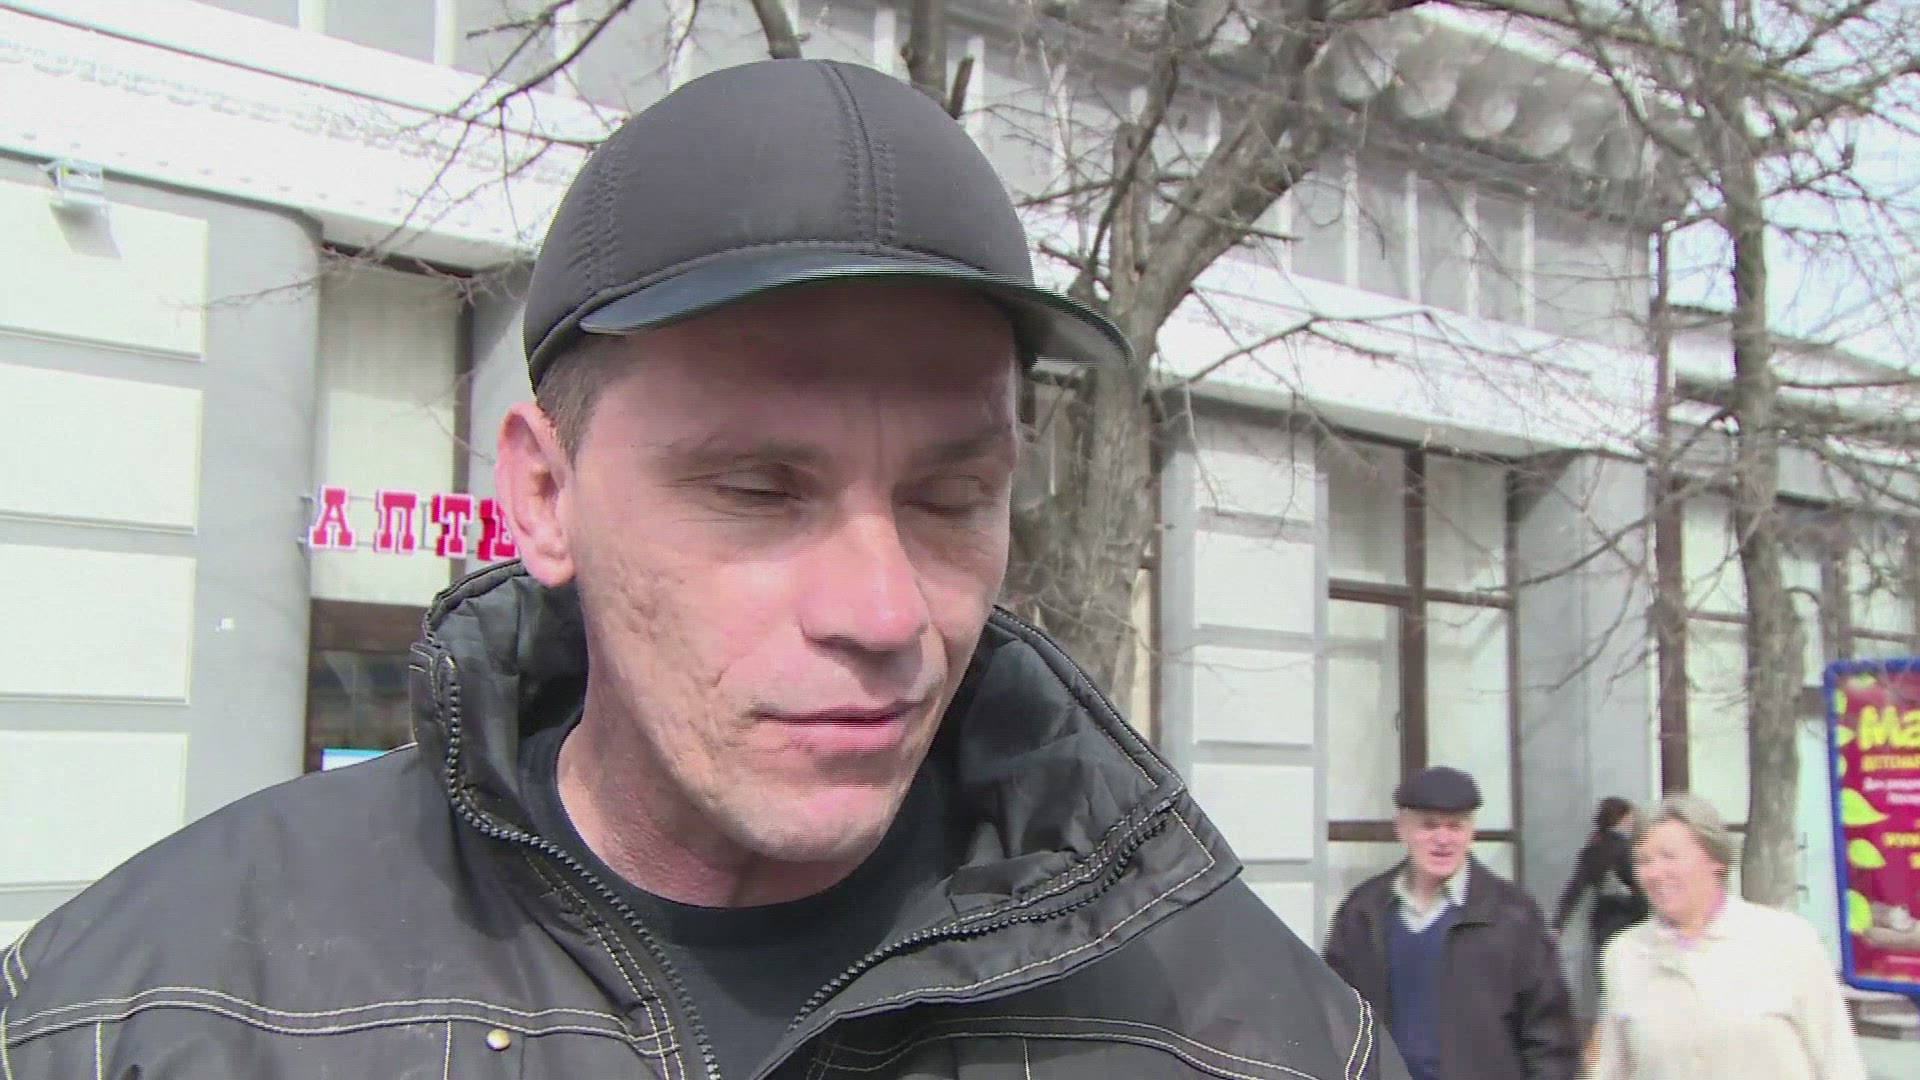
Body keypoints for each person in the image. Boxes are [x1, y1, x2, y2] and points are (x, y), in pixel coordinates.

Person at [0, 59, 1402, 1079]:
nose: (885, 613)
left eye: (951, 496)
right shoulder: (150, 1015)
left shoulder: (1256, 1036)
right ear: (544, 496)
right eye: (758, 491)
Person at [1588, 794, 1867, 1080]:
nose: (1655, 873)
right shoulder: (1627, 953)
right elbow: (1610, 1068)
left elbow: (1838, 1061)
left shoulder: (1786, 940)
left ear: (1715, 860)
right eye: (1644, 861)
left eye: (1669, 857)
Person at [1325, 766, 1578, 1080]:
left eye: (1455, 827)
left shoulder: (1512, 915)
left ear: (1471, 832)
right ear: (1402, 829)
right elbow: (1332, 1018)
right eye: (1429, 826)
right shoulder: (1364, 912)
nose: (1443, 840)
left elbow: (1550, 1036)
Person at [1551, 797, 1649, 1017]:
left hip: (1602, 921)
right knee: (1632, 979)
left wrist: (1558, 923)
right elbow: (1640, 885)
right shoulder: (1626, 849)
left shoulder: (1594, 848)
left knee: (1607, 980)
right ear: (1623, 819)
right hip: (1630, 919)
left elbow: (1575, 888)